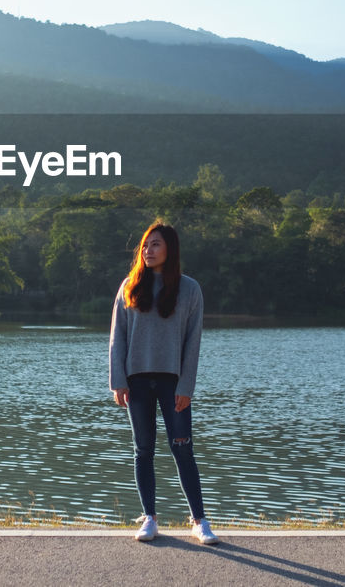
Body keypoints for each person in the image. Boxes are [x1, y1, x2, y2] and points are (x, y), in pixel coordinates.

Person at [108, 221, 220, 544]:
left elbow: (193, 342)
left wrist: (186, 386)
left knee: (182, 448)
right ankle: (150, 518)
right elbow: (118, 338)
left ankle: (199, 520)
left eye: (155, 244)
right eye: (145, 245)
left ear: (170, 249)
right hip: (137, 380)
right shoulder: (129, 286)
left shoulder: (189, 289)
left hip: (173, 382)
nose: (148, 250)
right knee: (143, 450)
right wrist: (119, 381)